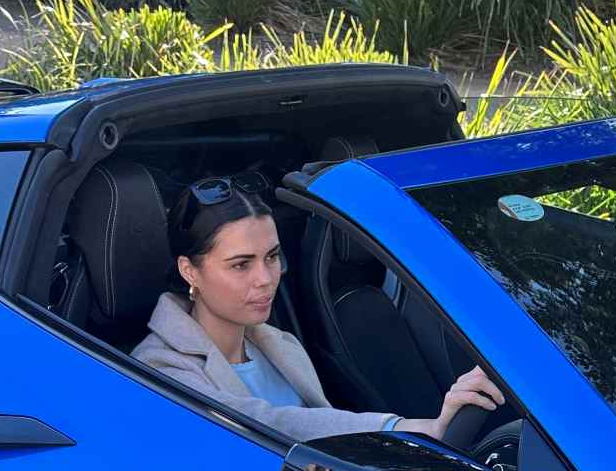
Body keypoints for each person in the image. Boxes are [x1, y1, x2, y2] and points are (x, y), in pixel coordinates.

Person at [131, 175, 505, 443]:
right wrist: (418, 428)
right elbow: (265, 424)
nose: (266, 278)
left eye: (272, 257)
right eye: (241, 264)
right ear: (189, 270)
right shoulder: (160, 367)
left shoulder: (277, 343)